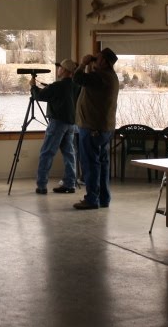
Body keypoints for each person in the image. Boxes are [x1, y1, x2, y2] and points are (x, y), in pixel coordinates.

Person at [72, 48, 120, 210]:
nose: (94, 60)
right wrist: (90, 66)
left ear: (104, 61)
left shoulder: (101, 77)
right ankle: (104, 198)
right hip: (104, 128)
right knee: (102, 164)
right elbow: (87, 80)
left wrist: (83, 63)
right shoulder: (109, 77)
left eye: (97, 58)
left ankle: (92, 199)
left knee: (90, 164)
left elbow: (78, 79)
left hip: (92, 127)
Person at [30, 59, 79, 194]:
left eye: (60, 68)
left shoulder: (57, 86)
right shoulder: (76, 86)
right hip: (71, 123)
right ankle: (70, 184)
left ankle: (41, 185)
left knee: (47, 153)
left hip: (57, 122)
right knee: (69, 154)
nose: (58, 69)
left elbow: (39, 96)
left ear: (64, 70)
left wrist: (33, 86)